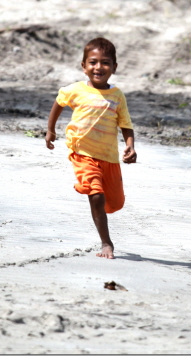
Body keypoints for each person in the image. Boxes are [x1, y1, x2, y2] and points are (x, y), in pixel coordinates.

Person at [45, 37, 137, 259]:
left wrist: (130, 146)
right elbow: (59, 102)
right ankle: (107, 243)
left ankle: (102, 211)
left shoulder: (116, 96)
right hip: (82, 154)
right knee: (96, 194)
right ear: (84, 66)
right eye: (93, 62)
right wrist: (51, 130)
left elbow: (126, 124)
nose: (99, 67)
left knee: (115, 203)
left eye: (105, 62)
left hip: (109, 156)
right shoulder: (75, 90)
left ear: (114, 67)